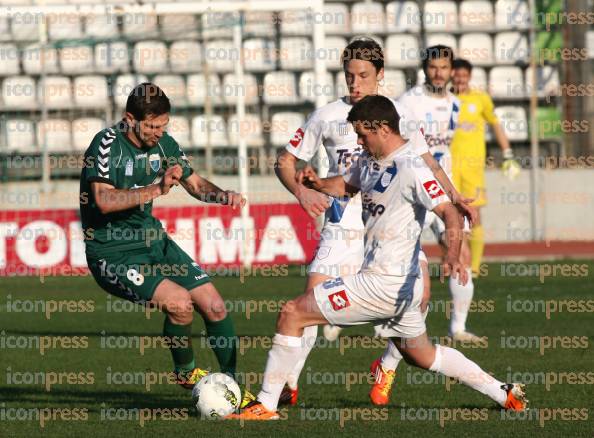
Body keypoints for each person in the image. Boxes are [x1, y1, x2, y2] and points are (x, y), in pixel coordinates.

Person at [230, 95, 527, 420]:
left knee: (292, 313)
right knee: (422, 356)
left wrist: (453, 254)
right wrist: (317, 183)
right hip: (398, 289)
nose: (358, 140)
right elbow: (345, 185)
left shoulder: (412, 166)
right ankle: (503, 392)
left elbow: (450, 214)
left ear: (383, 128)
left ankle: (266, 405)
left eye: (362, 134)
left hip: (384, 283)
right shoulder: (371, 160)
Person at [274, 37, 474, 406]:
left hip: (391, 229)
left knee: (421, 298)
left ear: (380, 75)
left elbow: (427, 161)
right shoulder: (326, 115)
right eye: (348, 75)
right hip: (342, 223)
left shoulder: (393, 115)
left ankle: (387, 366)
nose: (354, 83)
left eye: (363, 75)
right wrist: (303, 193)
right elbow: (284, 162)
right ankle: (288, 382)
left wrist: (455, 196)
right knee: (307, 304)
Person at [79, 83, 252, 400]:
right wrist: (156, 189)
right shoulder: (105, 144)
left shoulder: (164, 144)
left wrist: (222, 196)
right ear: (130, 119)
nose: (159, 132)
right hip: (112, 251)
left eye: (164, 126)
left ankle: (232, 386)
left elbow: (196, 184)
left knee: (213, 305)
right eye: (153, 126)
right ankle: (186, 373)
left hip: (153, 240)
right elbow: (103, 200)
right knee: (179, 305)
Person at [368, 45, 482, 407]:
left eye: (443, 67)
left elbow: (438, 155)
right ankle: (366, 333)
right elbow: (405, 148)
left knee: (459, 256)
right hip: (410, 194)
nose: (438, 73)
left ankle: (457, 328)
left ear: (452, 71)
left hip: (438, 192)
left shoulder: (455, 103)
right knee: (421, 290)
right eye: (432, 67)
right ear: (425, 69)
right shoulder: (408, 103)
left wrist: (454, 193)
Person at [451, 58, 520, 277]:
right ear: (452, 75)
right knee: (452, 215)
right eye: (457, 74)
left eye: (464, 75)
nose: (460, 79)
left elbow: (496, 125)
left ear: (469, 76)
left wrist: (508, 154)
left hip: (473, 167)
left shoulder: (480, 99)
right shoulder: (445, 99)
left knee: (474, 214)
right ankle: (460, 260)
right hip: (448, 167)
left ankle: (475, 267)